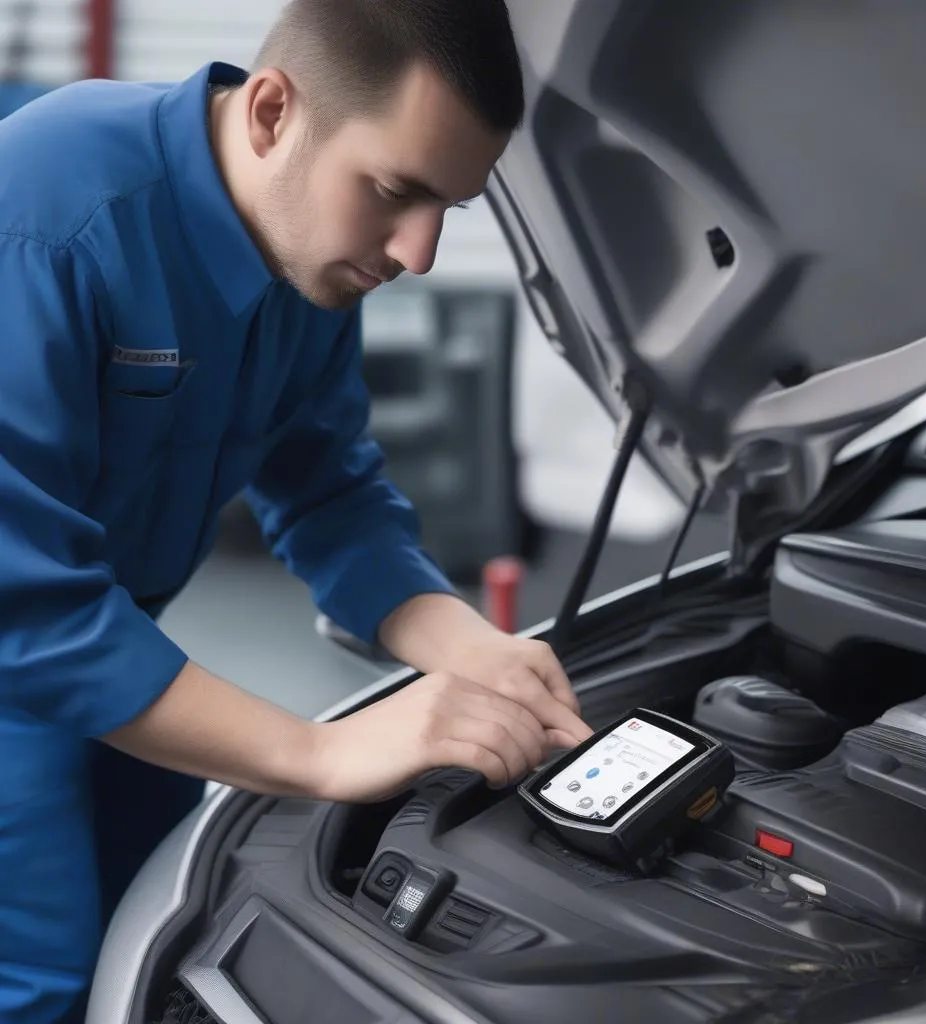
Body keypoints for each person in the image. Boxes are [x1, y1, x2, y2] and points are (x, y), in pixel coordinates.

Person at [0, 1, 593, 1021]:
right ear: (272, 110)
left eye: (449, 208)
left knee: (159, 933)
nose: (420, 254)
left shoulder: (305, 251)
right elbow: (24, 605)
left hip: (120, 642)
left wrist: (457, 641)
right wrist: (323, 754)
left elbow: (329, 489)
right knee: (44, 982)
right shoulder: (47, 213)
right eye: (397, 193)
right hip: (23, 648)